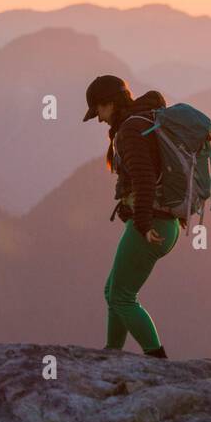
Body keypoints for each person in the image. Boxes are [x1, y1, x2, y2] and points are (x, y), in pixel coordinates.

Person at [82, 75, 182, 358]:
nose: (99, 119)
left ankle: (158, 360)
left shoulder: (130, 131)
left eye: (98, 111)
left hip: (152, 225)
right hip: (161, 222)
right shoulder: (142, 121)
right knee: (113, 291)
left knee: (121, 297)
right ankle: (112, 352)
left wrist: (143, 224)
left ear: (109, 104)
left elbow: (144, 179)